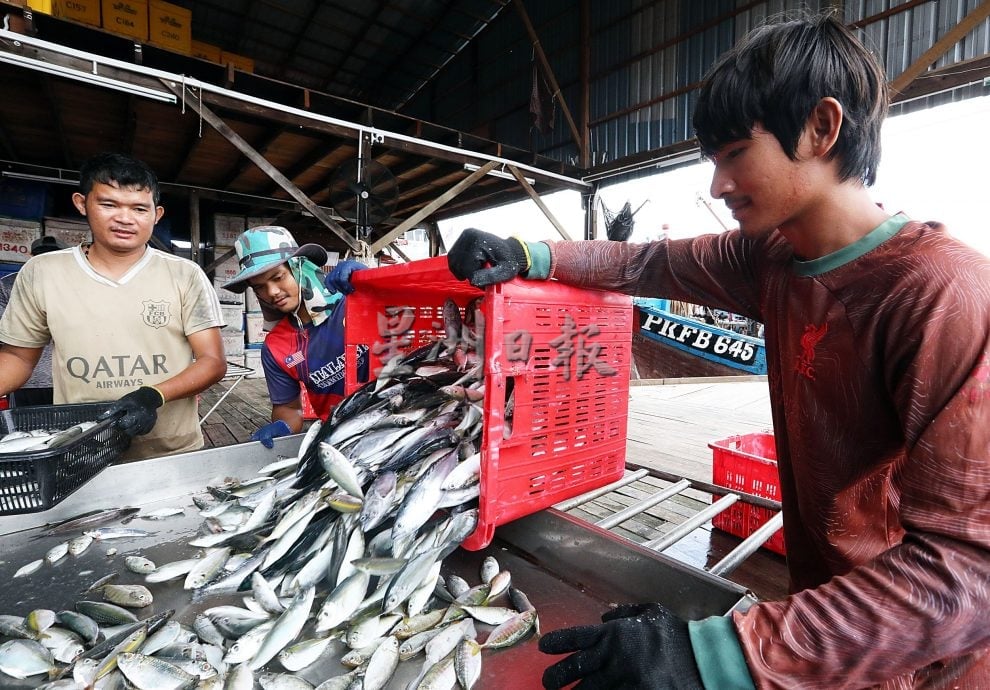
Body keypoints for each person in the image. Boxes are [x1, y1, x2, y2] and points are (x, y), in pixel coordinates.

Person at [448, 12, 990, 690]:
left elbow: (967, 573)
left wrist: (718, 654)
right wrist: (530, 252)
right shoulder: (771, 258)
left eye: (735, 153)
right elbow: (644, 262)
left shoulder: (941, 293)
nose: (717, 185)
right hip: (821, 628)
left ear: (822, 128)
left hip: (926, 661)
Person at [0, 152, 227, 461]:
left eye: (139, 208)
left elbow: (212, 361)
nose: (125, 218)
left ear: (156, 214)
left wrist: (152, 396)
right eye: (108, 205)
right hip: (81, 448)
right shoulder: (42, 272)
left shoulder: (185, 275)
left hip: (171, 448)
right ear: (82, 203)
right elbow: (17, 358)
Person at [221, 226, 368, 447]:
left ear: (300, 267)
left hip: (396, 413)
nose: (271, 292)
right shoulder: (275, 347)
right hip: (339, 437)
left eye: (278, 277)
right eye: (260, 287)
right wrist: (283, 426)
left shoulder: (351, 303)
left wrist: (371, 284)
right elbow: (289, 408)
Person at [0, 235, 69, 407]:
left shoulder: (8, 283)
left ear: (29, 256)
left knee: (28, 431)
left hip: (26, 377)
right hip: (63, 378)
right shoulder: (73, 286)